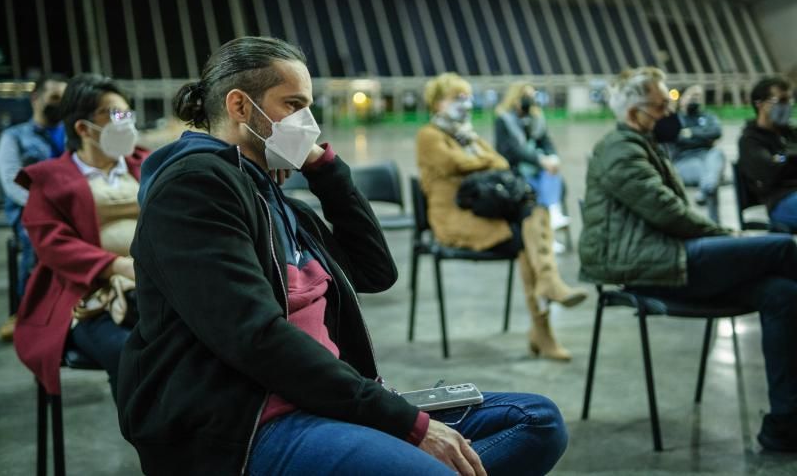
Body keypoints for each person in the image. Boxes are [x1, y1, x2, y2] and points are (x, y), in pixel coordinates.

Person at [116, 37, 568, 476]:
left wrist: (324, 169)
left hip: (325, 399)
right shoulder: (195, 187)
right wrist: (405, 424)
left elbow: (376, 271)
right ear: (239, 107)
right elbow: (256, 338)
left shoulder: (270, 193)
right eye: (293, 105)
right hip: (254, 420)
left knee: (538, 421)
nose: (308, 122)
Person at [580, 66, 797, 453]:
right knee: (783, 249)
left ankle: (785, 424)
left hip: (670, 256)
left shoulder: (644, 144)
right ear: (634, 113)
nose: (670, 114)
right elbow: (667, 211)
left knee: (781, 293)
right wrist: (725, 235)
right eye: (662, 106)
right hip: (648, 265)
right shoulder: (620, 150)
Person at [416, 72, 587, 362]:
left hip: (482, 210)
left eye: (467, 97)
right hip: (453, 217)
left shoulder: (467, 133)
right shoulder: (430, 136)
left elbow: (502, 162)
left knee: (535, 213)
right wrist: (480, 161)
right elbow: (455, 162)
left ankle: (547, 289)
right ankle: (543, 325)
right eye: (457, 98)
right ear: (437, 103)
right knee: (526, 238)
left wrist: (477, 162)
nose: (464, 104)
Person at [13, 73, 147, 401]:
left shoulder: (147, 164)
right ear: (83, 129)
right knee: (131, 355)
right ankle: (155, 444)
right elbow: (53, 245)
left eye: (127, 114)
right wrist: (118, 266)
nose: (125, 124)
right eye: (115, 116)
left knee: (199, 340)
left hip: (153, 287)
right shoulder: (48, 180)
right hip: (86, 299)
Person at [0, 74, 68, 341]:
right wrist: (44, 206)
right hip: (30, 210)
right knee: (35, 236)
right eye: (54, 98)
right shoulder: (14, 137)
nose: (59, 104)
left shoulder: (75, 133)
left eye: (64, 98)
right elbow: (10, 180)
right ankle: (26, 311)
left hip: (70, 207)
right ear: (35, 98)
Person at [494, 82, 570, 238]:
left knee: (551, 174)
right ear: (515, 98)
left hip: (540, 170)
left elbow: (546, 142)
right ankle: (547, 227)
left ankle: (551, 219)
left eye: (531, 96)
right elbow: (511, 151)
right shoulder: (503, 120)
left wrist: (552, 158)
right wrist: (540, 160)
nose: (529, 100)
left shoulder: (536, 118)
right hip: (515, 171)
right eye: (525, 96)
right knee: (540, 185)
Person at [737, 76, 796, 231]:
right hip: (780, 200)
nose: (788, 106)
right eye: (781, 100)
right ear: (760, 104)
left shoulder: (791, 134)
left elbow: (781, 164)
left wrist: (784, 159)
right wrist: (789, 158)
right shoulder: (750, 141)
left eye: (790, 100)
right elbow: (768, 173)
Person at [667, 84, 725, 222]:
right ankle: (708, 187)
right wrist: (703, 136)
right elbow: (675, 137)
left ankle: (707, 188)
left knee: (716, 154)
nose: (695, 99)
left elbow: (716, 132)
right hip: (684, 162)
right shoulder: (674, 118)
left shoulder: (708, 116)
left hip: (707, 157)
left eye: (698, 96)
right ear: (682, 98)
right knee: (704, 169)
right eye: (692, 95)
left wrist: (690, 133)